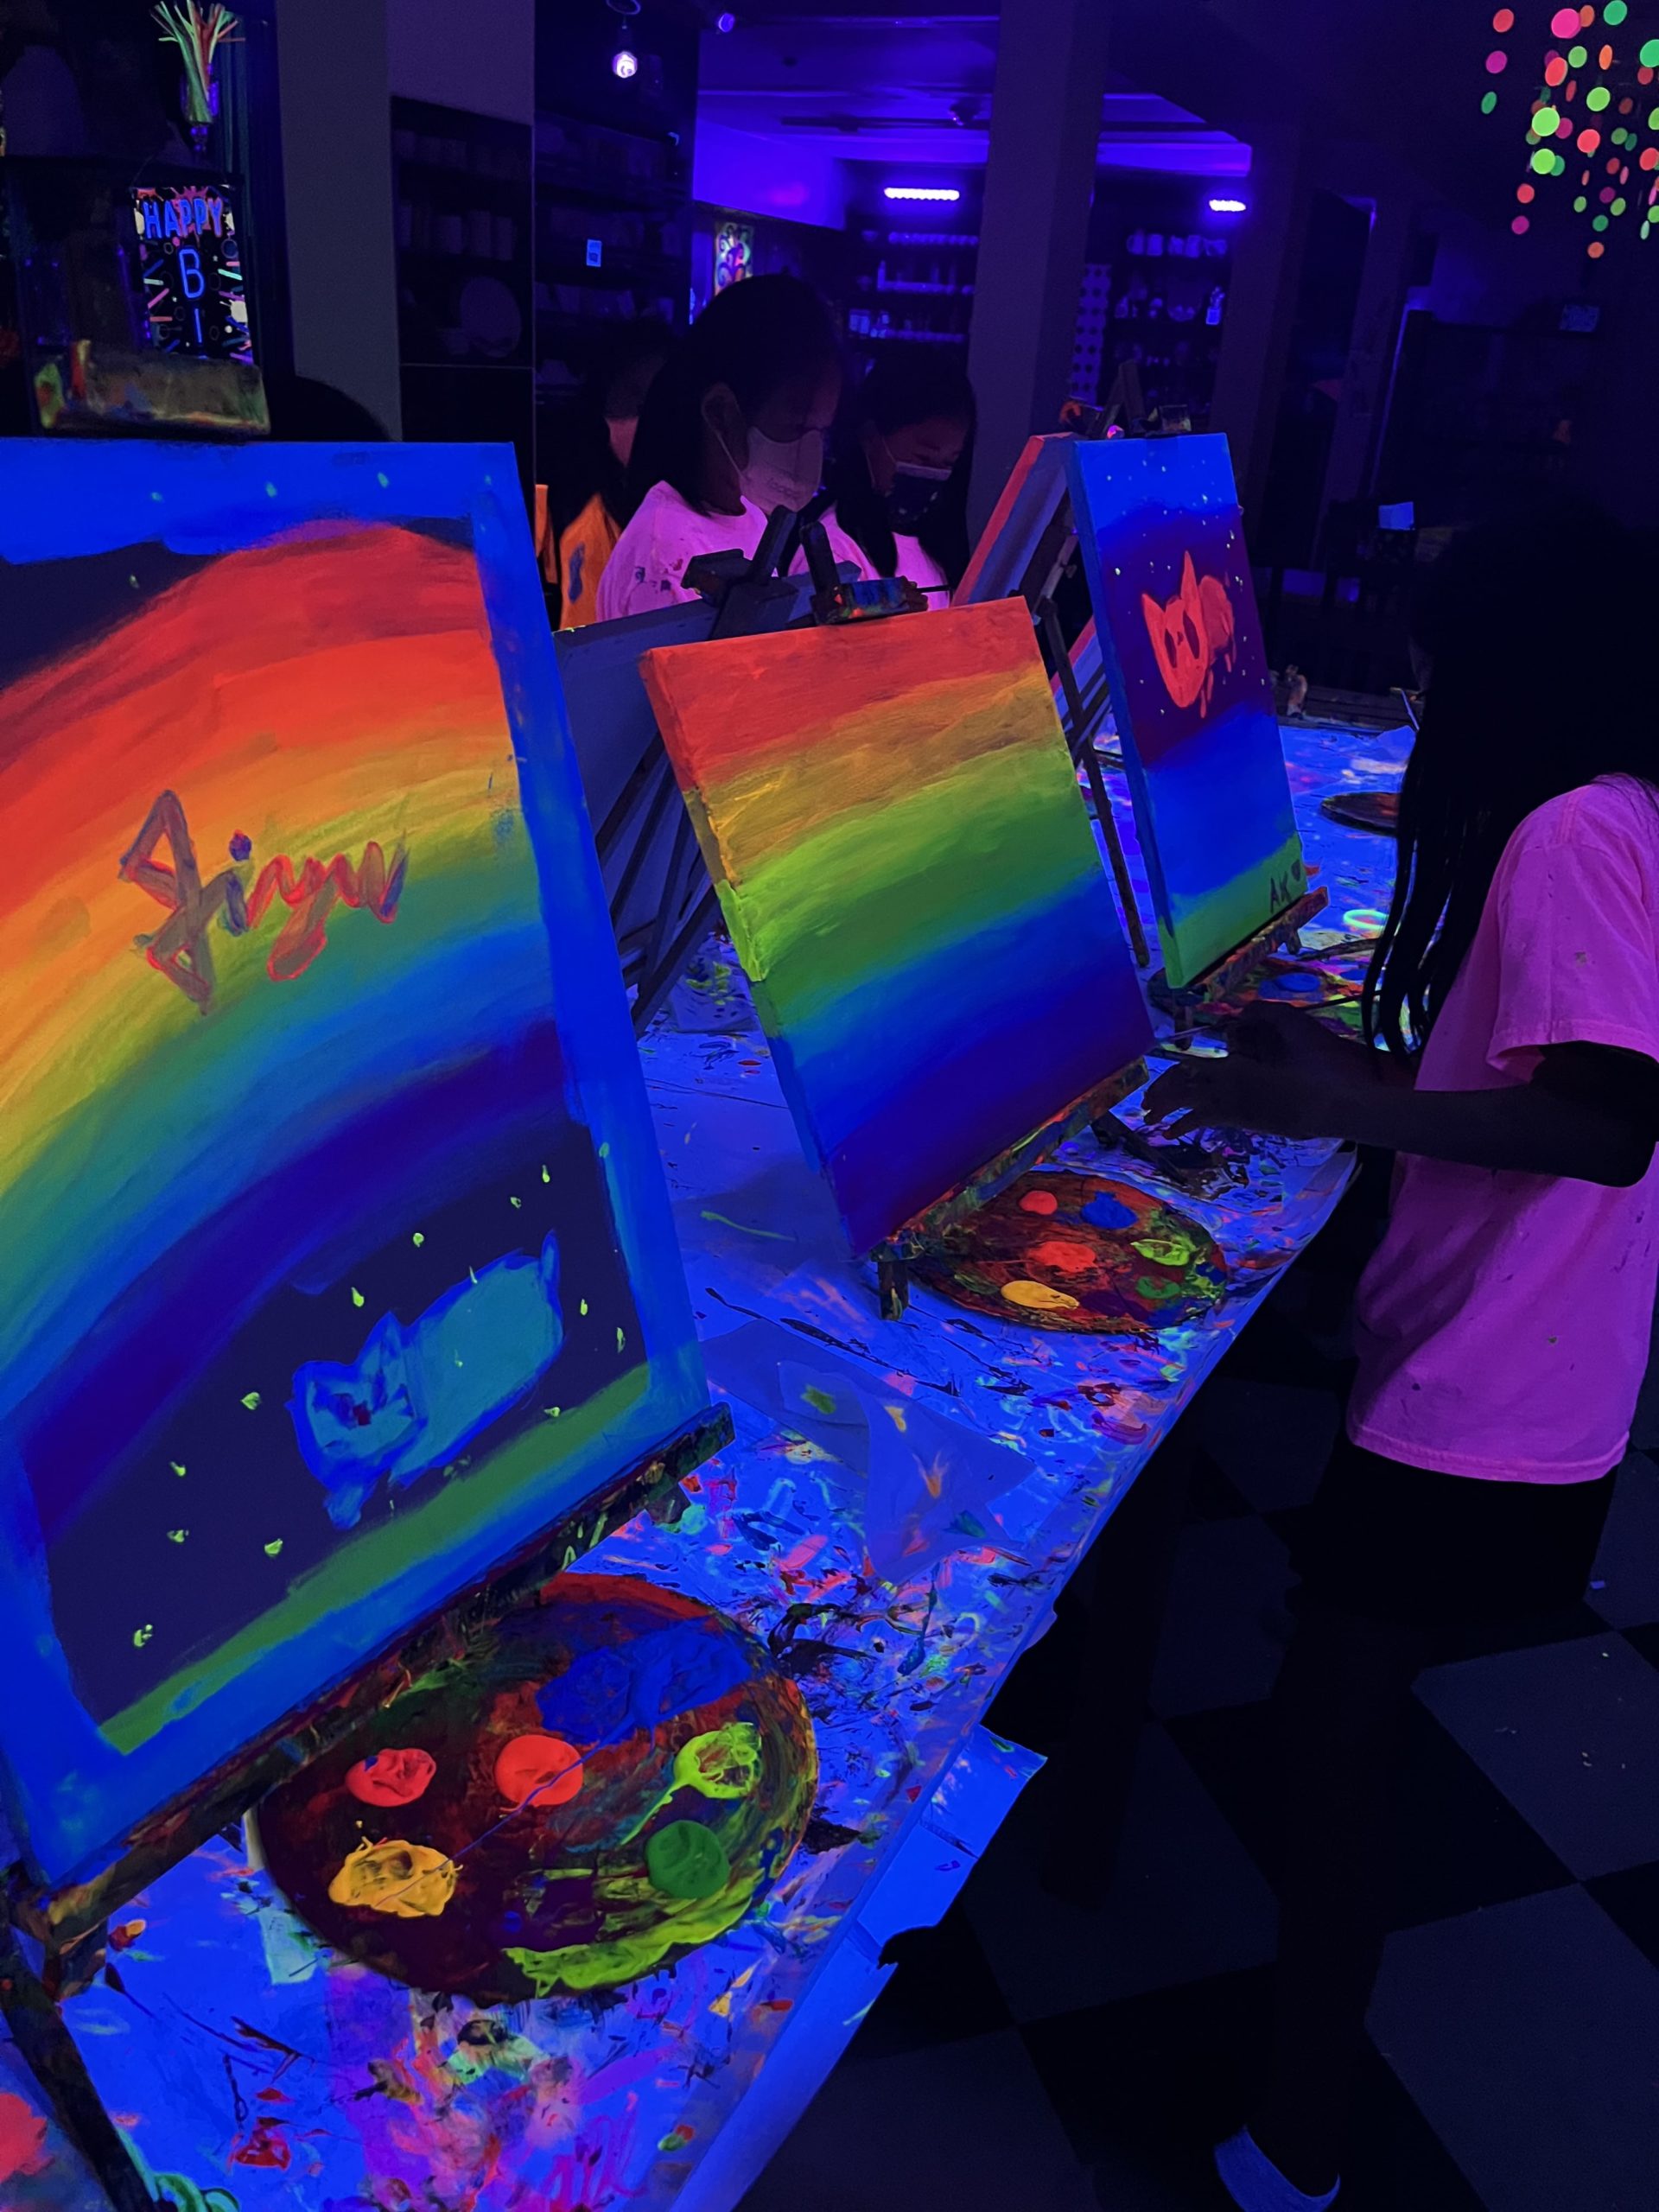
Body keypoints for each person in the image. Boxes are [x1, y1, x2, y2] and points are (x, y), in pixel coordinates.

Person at [1144, 509, 1659, 2212]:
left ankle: (1297, 2140)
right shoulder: (1619, 811)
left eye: (1440, 678)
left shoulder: (1573, 832)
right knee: (1341, 1685)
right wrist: (1340, 1068)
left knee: (1335, 1739)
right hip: (1517, 1372)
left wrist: (1342, 1113)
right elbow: (1523, 1065)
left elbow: (1602, 1121)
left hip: (1486, 1401)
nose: (1424, 706)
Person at [595, 273, 866, 622]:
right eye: (796, 429)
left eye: (820, 434)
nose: (809, 457)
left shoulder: (749, 515)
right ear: (721, 414)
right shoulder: (667, 556)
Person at [821, 347, 976, 602]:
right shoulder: (836, 547)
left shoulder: (934, 552)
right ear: (870, 437)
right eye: (922, 458)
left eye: (948, 463)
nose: (933, 475)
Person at [549, 325, 669, 628]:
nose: (650, 421)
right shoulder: (592, 533)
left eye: (662, 402)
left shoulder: (722, 507)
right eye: (634, 404)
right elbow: (586, 648)